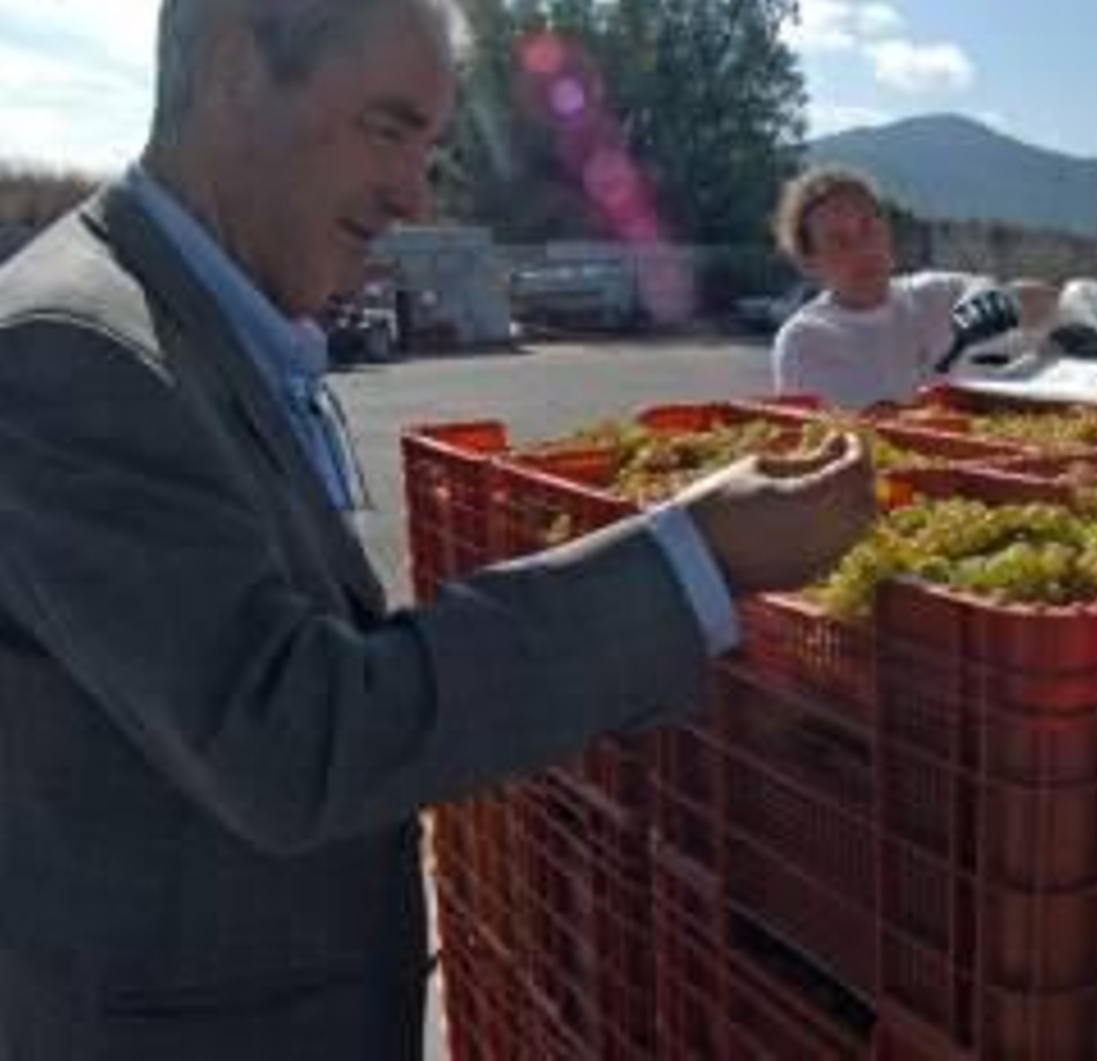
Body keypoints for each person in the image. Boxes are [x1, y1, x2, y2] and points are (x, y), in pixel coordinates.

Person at [0, 1, 873, 1058]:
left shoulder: (190, 320)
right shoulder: (72, 352)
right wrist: (693, 554)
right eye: (388, 127)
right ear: (235, 64)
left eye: (431, 147)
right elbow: (299, 730)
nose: (415, 193)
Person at [770, 166, 1063, 410]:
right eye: (839, 241)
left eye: (868, 228)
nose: (862, 249)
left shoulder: (934, 294)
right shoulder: (805, 341)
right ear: (810, 262)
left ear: (886, 231)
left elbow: (1039, 298)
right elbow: (879, 431)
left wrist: (1010, 303)